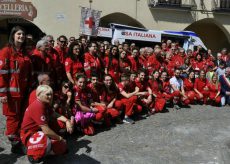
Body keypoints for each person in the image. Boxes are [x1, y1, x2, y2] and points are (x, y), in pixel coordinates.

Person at [20, 85, 73, 163]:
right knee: (39, 154)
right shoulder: (37, 106)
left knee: (61, 127)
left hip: (39, 130)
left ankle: (47, 147)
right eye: (47, 94)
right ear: (39, 95)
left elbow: (54, 114)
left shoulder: (44, 103)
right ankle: (32, 151)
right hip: (29, 134)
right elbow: (46, 131)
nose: (50, 96)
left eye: (51, 94)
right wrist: (60, 138)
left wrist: (67, 121)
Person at [0, 26, 30, 153]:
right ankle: (14, 144)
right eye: (19, 34)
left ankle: (18, 138)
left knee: (20, 116)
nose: (21, 36)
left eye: (23, 34)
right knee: (13, 117)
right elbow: (2, 73)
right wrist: (2, 93)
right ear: (13, 35)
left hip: (23, 91)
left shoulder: (23, 52)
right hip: (12, 93)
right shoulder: (6, 51)